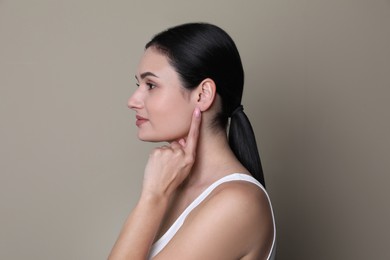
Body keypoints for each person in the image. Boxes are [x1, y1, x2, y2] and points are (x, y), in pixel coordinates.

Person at [109, 22, 276, 260]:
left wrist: (152, 197)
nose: (133, 100)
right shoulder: (172, 185)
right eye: (139, 85)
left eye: (151, 85)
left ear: (203, 94)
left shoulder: (238, 203)